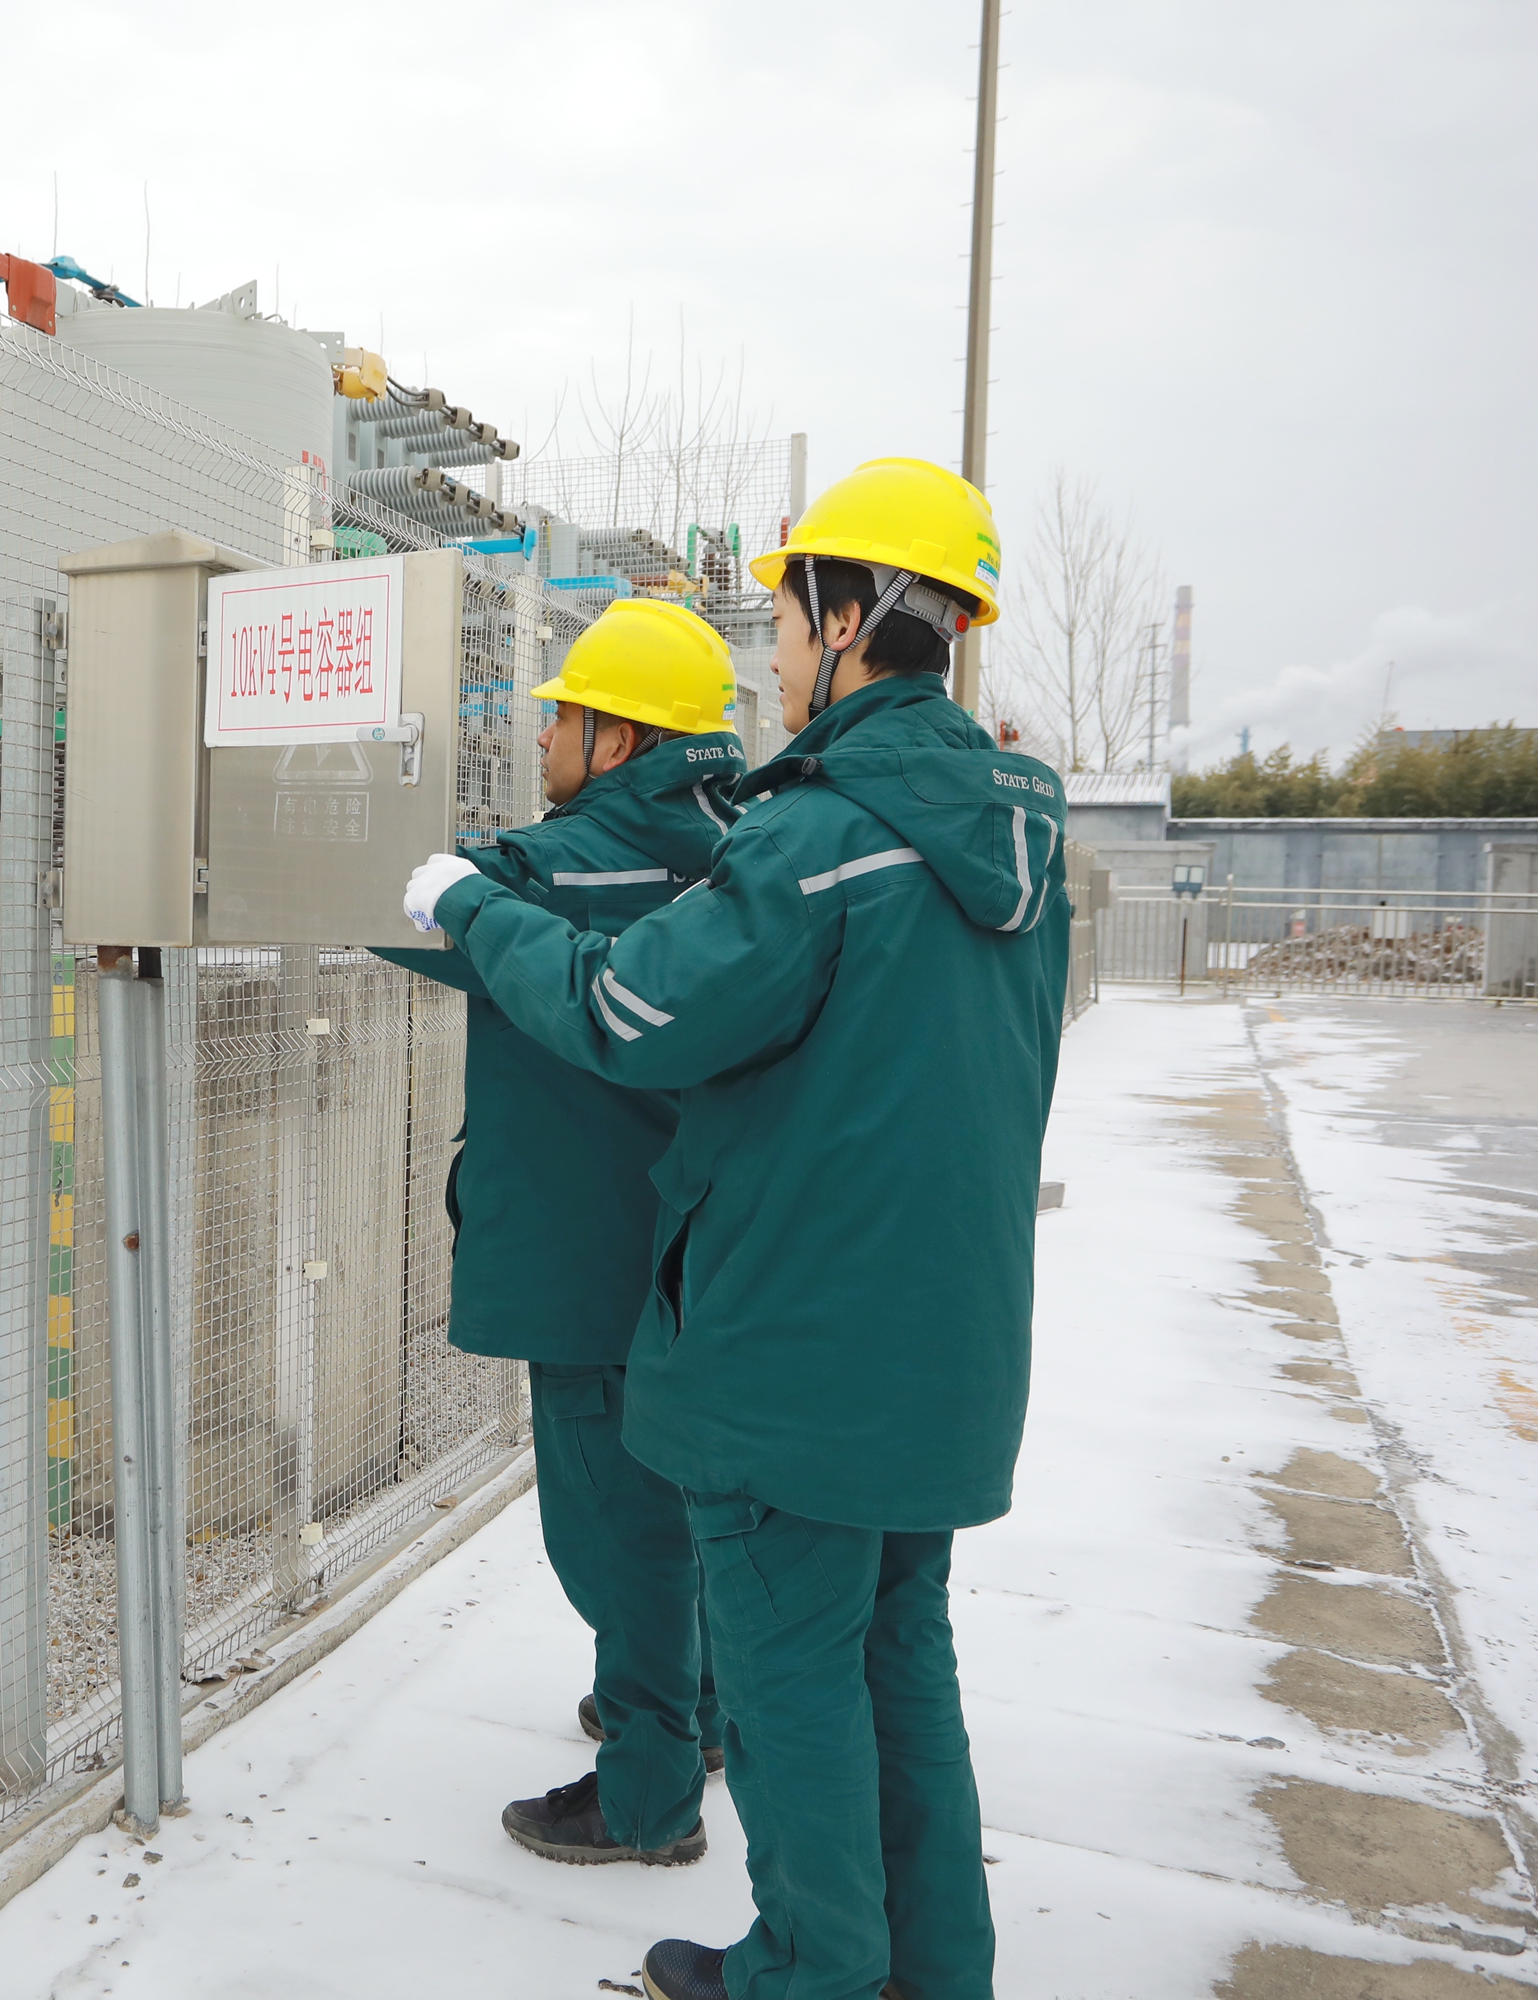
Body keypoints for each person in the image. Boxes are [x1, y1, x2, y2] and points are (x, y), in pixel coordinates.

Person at [400, 459, 1067, 2000]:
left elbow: (626, 1011)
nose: (771, 647)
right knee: (901, 1661)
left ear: (851, 615)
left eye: (784, 614)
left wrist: (473, 907)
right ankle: (932, 1973)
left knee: (787, 1684)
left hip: (792, 1355)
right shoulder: (1015, 830)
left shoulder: (818, 840)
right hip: (946, 1342)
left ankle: (811, 1970)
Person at [372, 596, 744, 1869]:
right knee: (690, 1501)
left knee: (613, 1528)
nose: (541, 739)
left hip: (589, 1258)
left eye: (563, 717)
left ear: (618, 736)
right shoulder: (744, 856)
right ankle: (696, 1707)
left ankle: (647, 1785)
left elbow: (390, 908)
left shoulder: (542, 871)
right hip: (709, 1250)